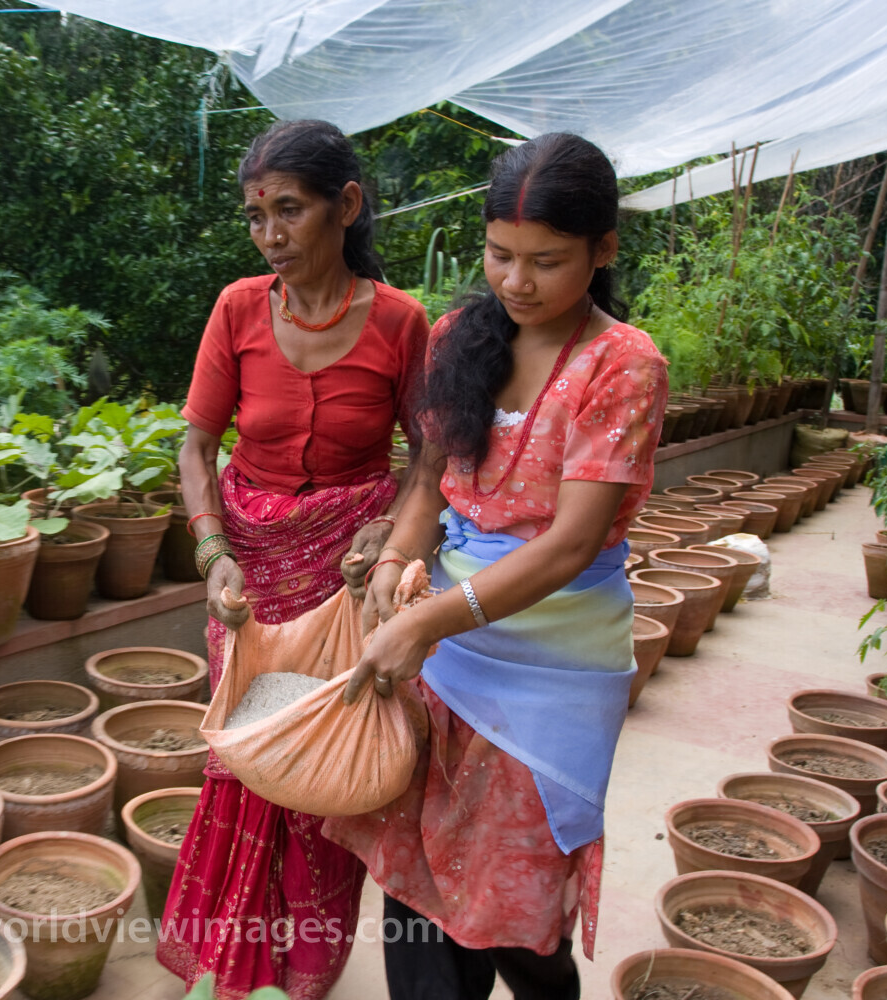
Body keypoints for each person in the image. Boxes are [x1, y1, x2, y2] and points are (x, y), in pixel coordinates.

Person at [323, 132, 669, 999]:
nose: (516, 282)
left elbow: (571, 543)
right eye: (500, 255)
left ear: (604, 249)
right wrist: (397, 560)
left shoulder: (622, 365)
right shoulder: (459, 338)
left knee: (511, 890)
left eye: (547, 262)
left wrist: (430, 617)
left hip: (553, 667)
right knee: (425, 869)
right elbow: (432, 482)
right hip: (447, 646)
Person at [160, 119, 432, 1000]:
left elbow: (428, 460)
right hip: (247, 581)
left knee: (324, 773)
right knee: (246, 760)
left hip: (345, 588)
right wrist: (212, 553)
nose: (271, 235)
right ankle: (235, 971)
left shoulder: (400, 323)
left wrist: (386, 534)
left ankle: (304, 973)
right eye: (255, 216)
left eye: (290, 211)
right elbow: (197, 447)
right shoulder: (238, 308)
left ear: (345, 207)